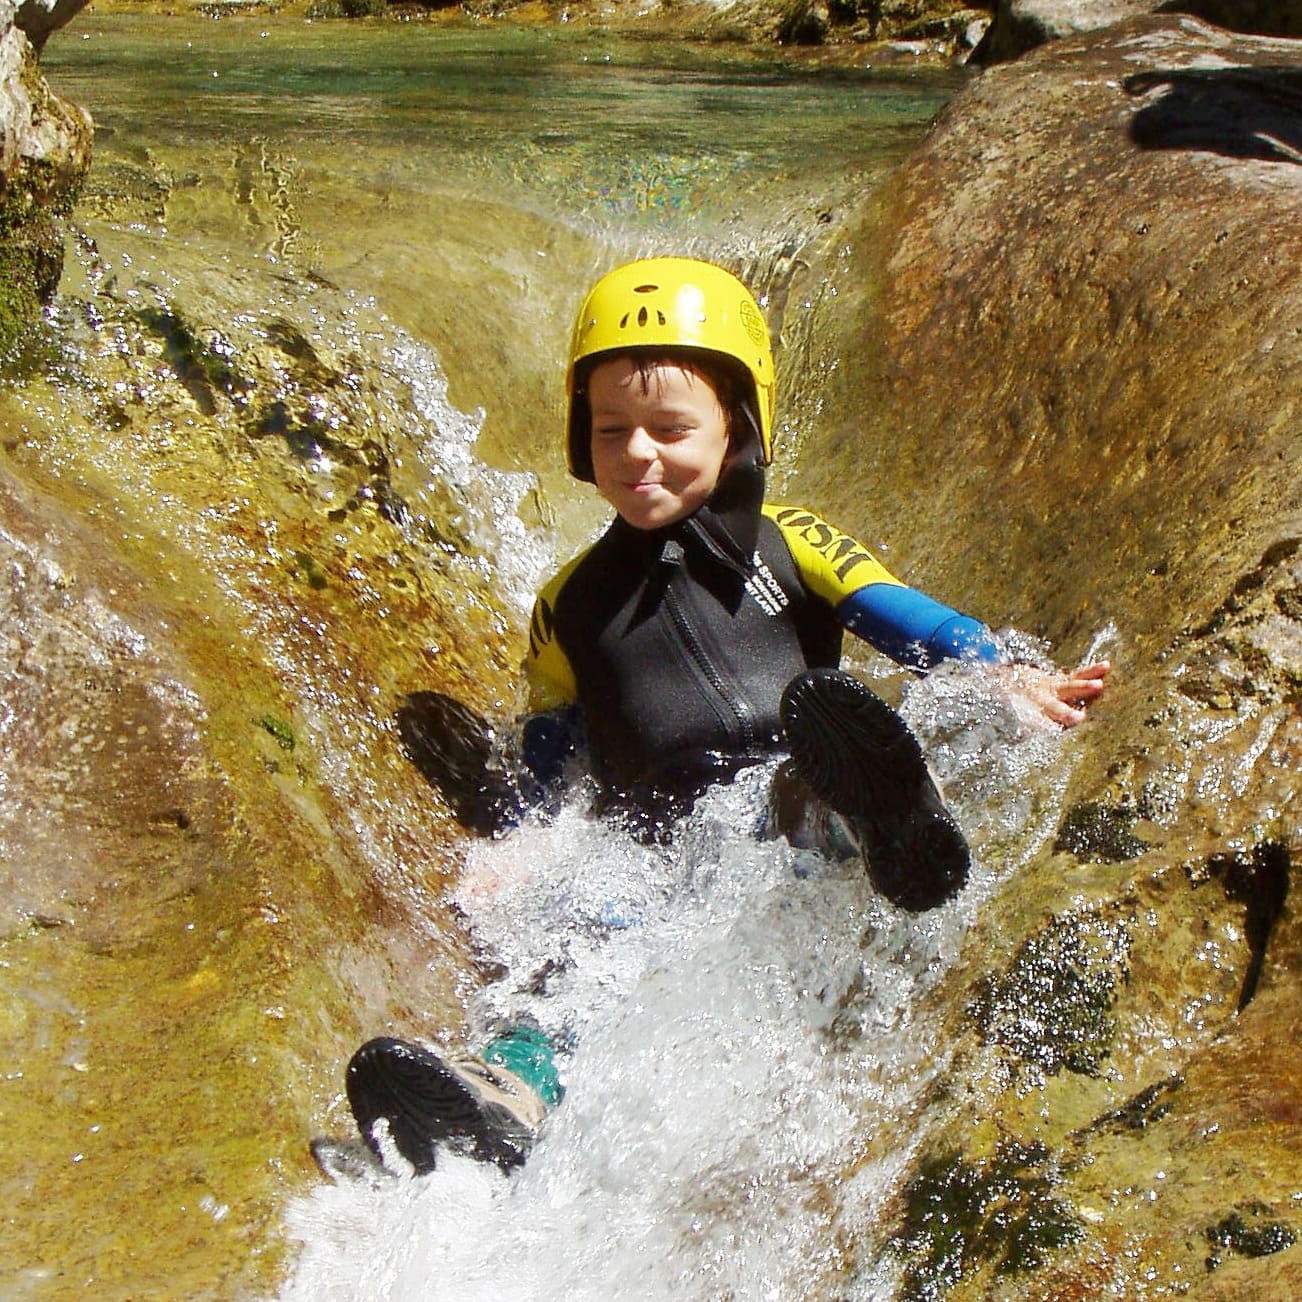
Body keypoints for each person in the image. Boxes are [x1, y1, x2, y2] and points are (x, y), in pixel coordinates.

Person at [327, 257, 1109, 1180]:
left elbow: (910, 622)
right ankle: (507, 1097)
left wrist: (1003, 669)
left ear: (738, 426)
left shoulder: (795, 540)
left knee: (823, 760)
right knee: (582, 938)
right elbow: (551, 754)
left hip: (789, 788)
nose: (638, 454)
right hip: (661, 850)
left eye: (669, 428)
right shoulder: (568, 605)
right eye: (611, 430)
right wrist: (517, 838)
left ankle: (894, 828)